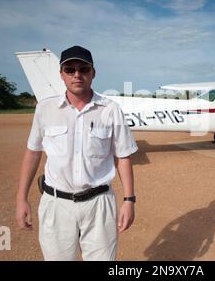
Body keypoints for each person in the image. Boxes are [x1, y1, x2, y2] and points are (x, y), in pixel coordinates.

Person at [16, 45, 138, 261]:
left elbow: (122, 156)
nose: (77, 75)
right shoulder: (45, 109)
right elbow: (33, 153)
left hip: (99, 203)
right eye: (70, 70)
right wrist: (21, 198)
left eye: (83, 69)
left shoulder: (110, 109)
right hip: (56, 204)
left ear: (93, 73)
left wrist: (129, 200)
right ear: (61, 74)